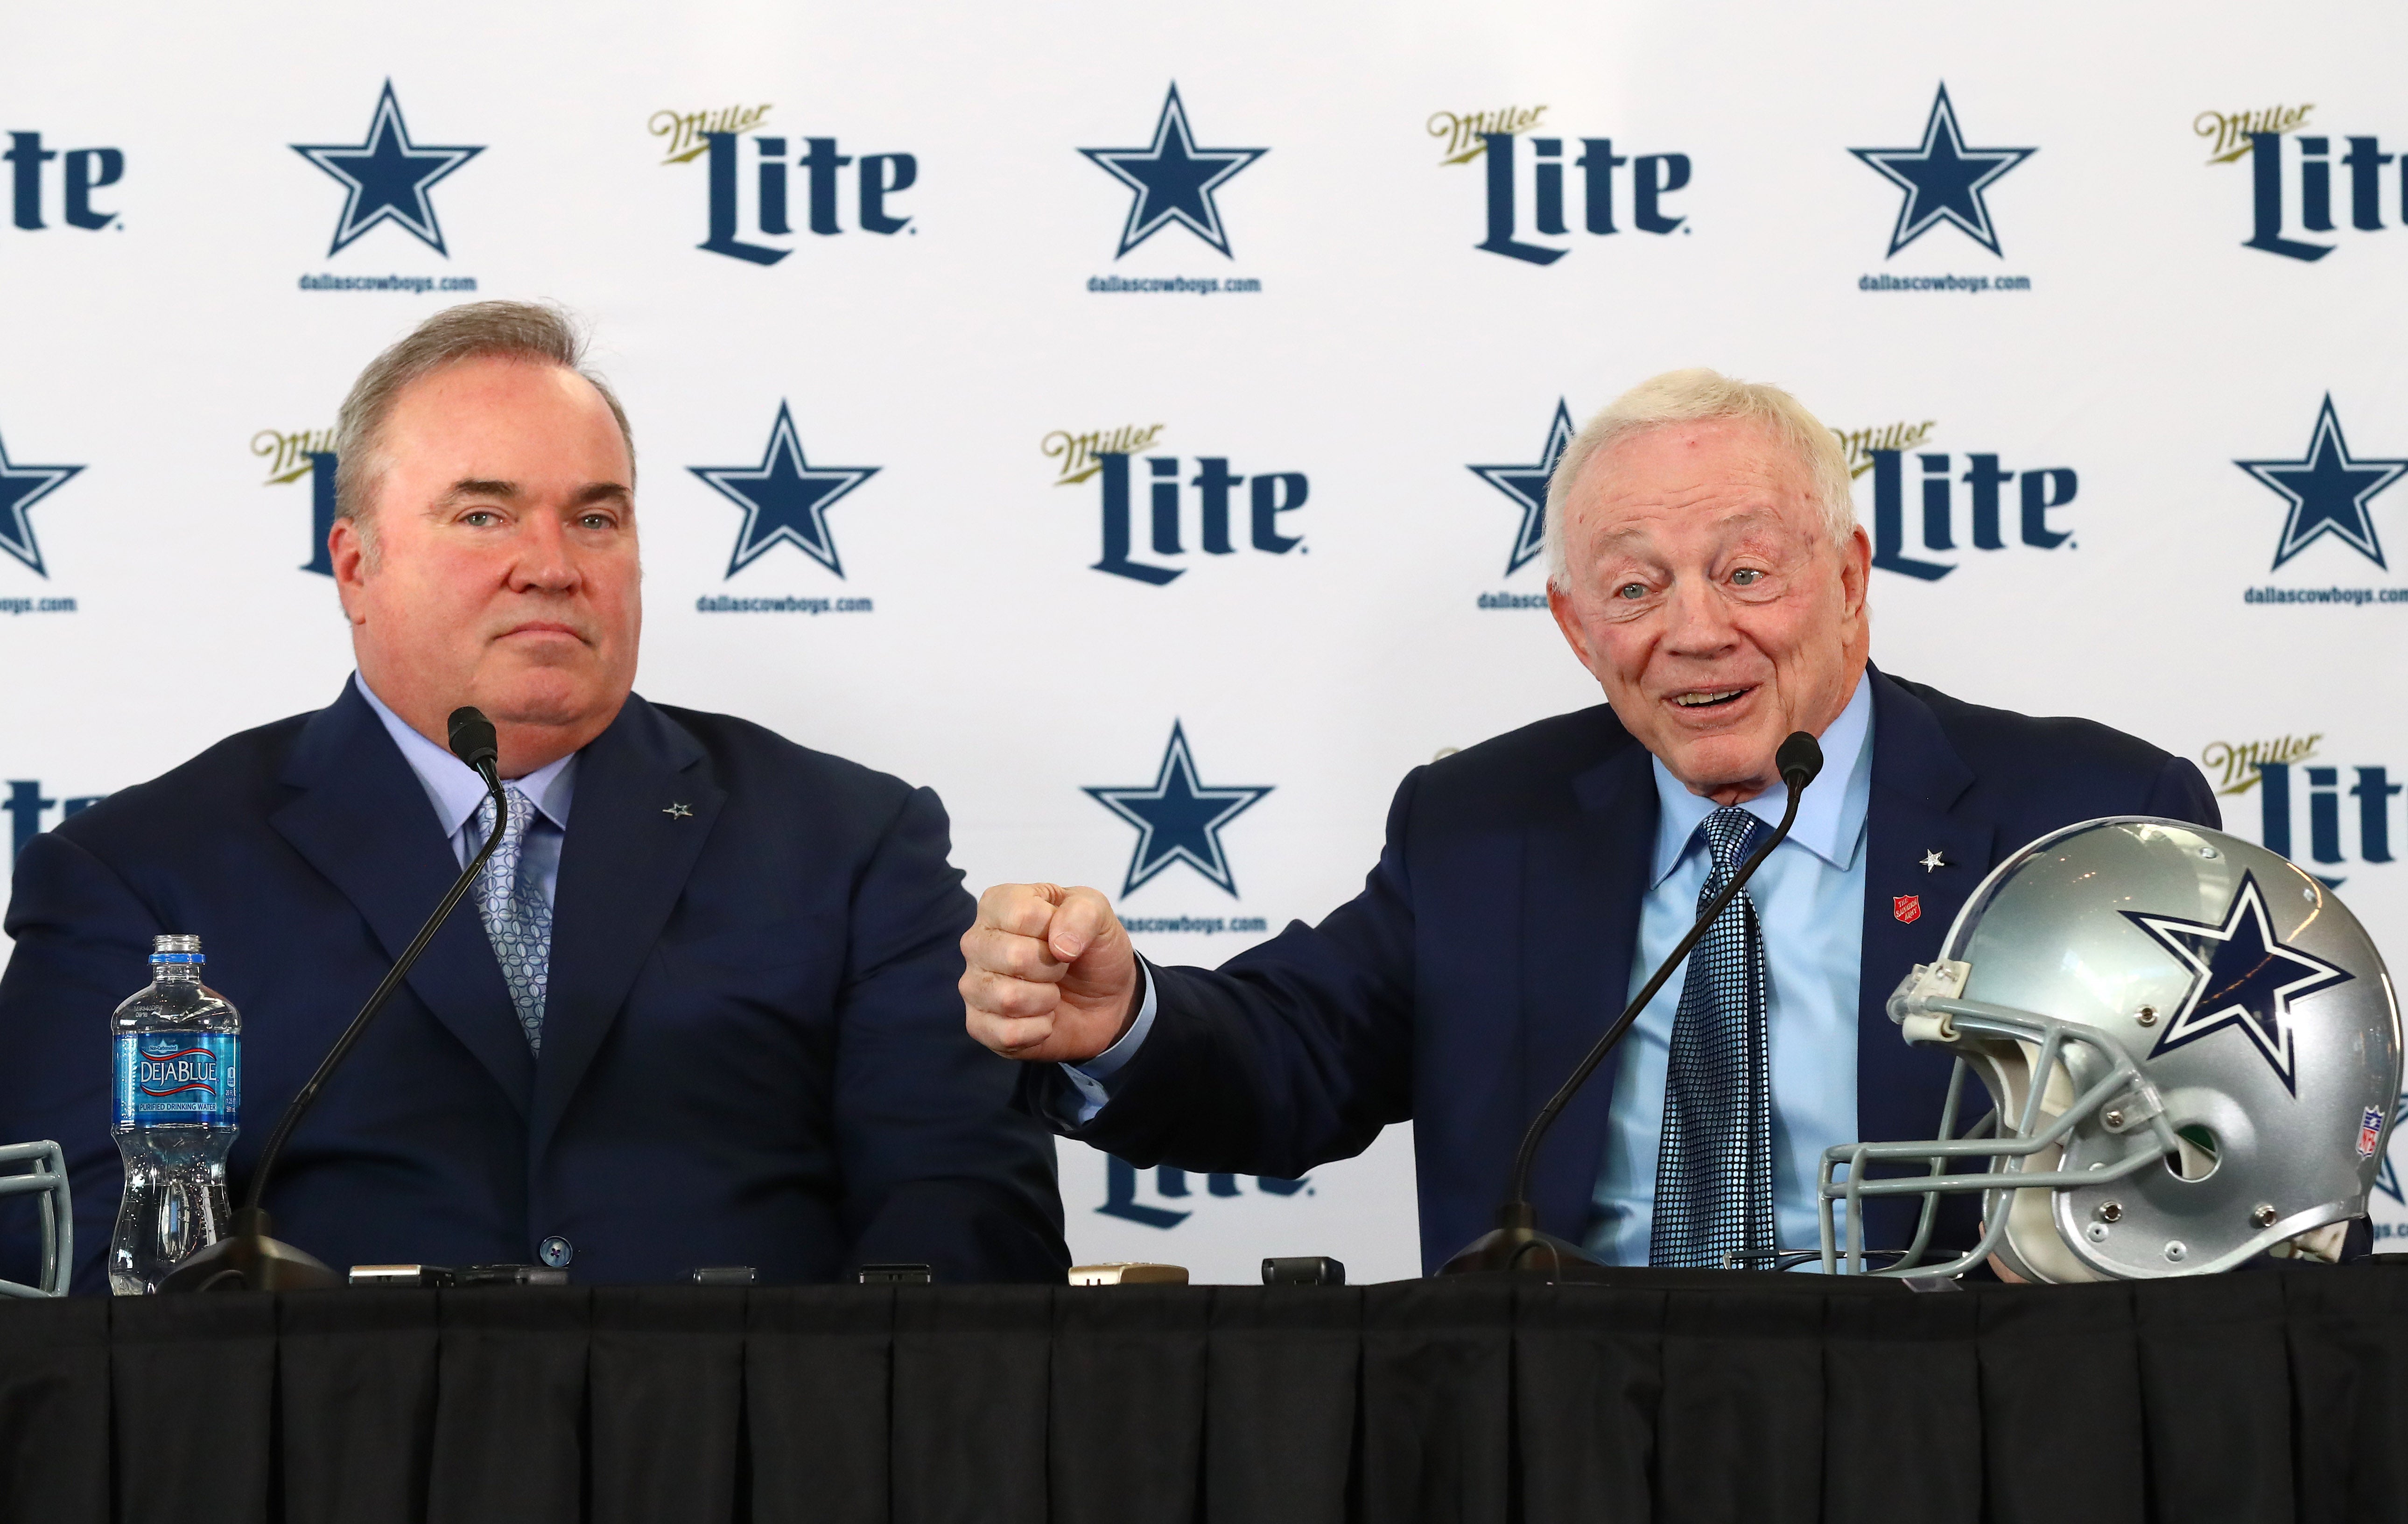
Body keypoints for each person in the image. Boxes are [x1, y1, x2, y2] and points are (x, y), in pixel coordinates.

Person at [962, 368, 2220, 1275]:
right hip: (1571, 1425)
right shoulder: (1479, 824)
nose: (1694, 629)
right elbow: (1301, 1053)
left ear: (1848, 581)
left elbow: (2210, 1168)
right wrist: (1121, 1020)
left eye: (1745, 571)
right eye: (1635, 586)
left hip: (1945, 1424)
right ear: (1577, 629)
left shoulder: (2092, 819)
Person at [0, 302, 1066, 1290]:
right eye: (483, 515)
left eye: (596, 520)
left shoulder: (850, 844)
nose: (551, 566)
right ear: (355, 565)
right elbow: (75, 1277)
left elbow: (965, 1219)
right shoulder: (141, 875)